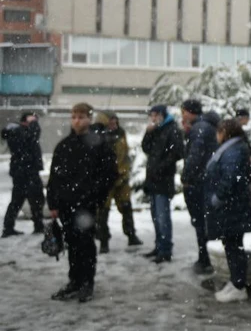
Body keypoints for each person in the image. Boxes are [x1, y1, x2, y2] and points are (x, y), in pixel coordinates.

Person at [47, 103, 117, 303]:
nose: (77, 120)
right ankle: (75, 280)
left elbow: (109, 174)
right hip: (66, 205)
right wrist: (53, 203)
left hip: (86, 206)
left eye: (81, 116)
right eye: (74, 117)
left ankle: (87, 282)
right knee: (71, 243)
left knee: (85, 243)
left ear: (89, 118)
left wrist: (95, 196)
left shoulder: (99, 145)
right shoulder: (64, 146)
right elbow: (55, 177)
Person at [204, 118, 251, 303]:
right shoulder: (235, 148)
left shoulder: (233, 150)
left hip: (233, 207)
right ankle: (236, 282)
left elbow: (231, 178)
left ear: (225, 133)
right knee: (232, 245)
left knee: (234, 246)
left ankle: (238, 285)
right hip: (233, 206)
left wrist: (217, 197)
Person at [181, 99, 221, 275]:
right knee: (206, 221)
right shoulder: (206, 126)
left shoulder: (200, 128)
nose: (182, 115)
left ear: (190, 112)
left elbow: (195, 156)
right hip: (207, 180)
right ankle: (207, 258)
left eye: (183, 112)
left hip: (198, 182)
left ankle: (204, 260)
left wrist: (186, 177)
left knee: (200, 222)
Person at [141, 105, 184, 264]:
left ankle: (165, 249)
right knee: (155, 216)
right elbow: (146, 148)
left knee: (162, 216)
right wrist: (148, 133)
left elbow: (177, 152)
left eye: (155, 115)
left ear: (162, 115)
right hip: (153, 179)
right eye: (151, 115)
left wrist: (161, 167)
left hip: (163, 179)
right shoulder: (157, 130)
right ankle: (159, 246)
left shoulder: (171, 129)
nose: (153, 118)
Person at [94, 112, 142, 252]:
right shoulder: (98, 137)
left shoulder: (121, 134)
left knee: (126, 208)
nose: (113, 124)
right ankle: (104, 241)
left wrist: (124, 172)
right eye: (110, 121)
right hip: (105, 182)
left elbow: (125, 155)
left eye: (115, 121)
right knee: (103, 212)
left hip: (122, 179)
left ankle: (131, 235)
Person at [2, 112, 45, 236]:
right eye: (32, 120)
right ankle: (36, 225)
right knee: (33, 199)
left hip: (24, 171)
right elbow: (33, 135)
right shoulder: (18, 132)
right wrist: (33, 123)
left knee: (22, 200)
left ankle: (11, 227)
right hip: (26, 171)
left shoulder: (19, 131)